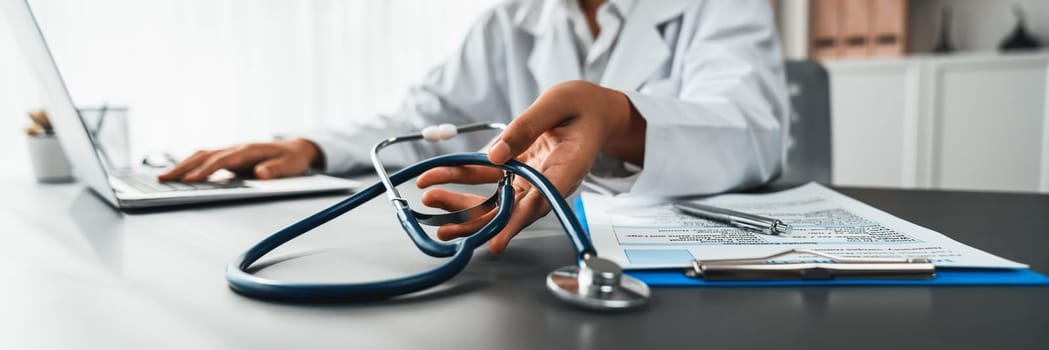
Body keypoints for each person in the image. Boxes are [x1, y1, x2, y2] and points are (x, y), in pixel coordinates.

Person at [159, 0, 790, 254]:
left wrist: (617, 118)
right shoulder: (512, 17)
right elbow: (419, 118)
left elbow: (754, 129)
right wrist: (310, 145)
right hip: (535, 260)